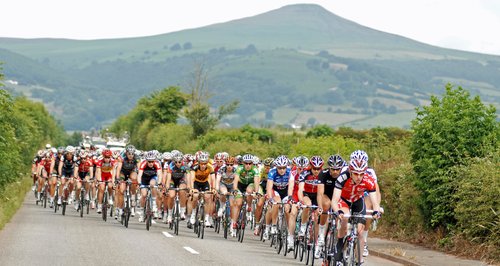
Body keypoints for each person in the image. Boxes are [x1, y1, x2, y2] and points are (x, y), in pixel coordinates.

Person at [331, 150, 381, 265]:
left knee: (360, 232)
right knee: (344, 219)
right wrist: (337, 211)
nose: (359, 177)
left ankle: (359, 261)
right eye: (356, 174)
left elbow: (375, 201)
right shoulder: (342, 177)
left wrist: (376, 211)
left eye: (361, 174)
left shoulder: (369, 180)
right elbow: (334, 200)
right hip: (344, 201)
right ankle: (339, 249)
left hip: (358, 201)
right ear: (350, 171)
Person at [316, 154, 345, 257]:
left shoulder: (345, 175)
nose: (335, 172)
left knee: (341, 215)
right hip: (326, 195)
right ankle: (321, 234)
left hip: (338, 198)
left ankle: (337, 241)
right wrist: (320, 207)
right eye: (333, 169)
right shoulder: (323, 174)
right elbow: (320, 193)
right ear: (329, 167)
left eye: (338, 169)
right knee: (326, 204)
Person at [263, 155, 291, 240]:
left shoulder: (290, 172)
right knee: (276, 203)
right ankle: (271, 226)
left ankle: (289, 230)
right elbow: (269, 187)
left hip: (285, 191)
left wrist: (290, 197)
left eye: (284, 168)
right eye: (280, 168)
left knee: (287, 208)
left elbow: (291, 187)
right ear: (276, 167)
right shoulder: (272, 172)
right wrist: (270, 198)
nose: (282, 170)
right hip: (275, 191)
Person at [232, 154, 261, 234]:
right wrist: (235, 190)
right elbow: (235, 181)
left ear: (252, 163)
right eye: (246, 163)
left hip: (250, 184)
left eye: (250, 163)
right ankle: (234, 223)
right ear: (243, 163)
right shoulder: (239, 168)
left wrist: (256, 192)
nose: (248, 165)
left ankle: (249, 206)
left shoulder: (255, 169)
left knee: (249, 191)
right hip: (240, 185)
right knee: (238, 203)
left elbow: (256, 182)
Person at [188, 153, 216, 228]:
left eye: (205, 164)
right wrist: (191, 189)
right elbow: (192, 178)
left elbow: (213, 179)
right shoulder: (194, 167)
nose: (203, 165)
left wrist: (214, 189)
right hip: (196, 182)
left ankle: (206, 218)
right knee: (195, 196)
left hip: (205, 183)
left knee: (208, 197)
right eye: (201, 164)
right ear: (199, 163)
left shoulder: (210, 167)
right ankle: (193, 215)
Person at [115, 145, 140, 220]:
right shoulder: (121, 157)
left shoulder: (137, 158)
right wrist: (117, 178)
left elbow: (139, 169)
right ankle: (119, 208)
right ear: (126, 153)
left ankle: (132, 195)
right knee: (121, 191)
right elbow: (118, 168)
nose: (131, 155)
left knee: (134, 178)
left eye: (132, 154)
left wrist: (139, 181)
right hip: (123, 172)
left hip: (132, 171)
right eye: (129, 154)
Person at [137, 151, 162, 222]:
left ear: (154, 161)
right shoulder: (143, 164)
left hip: (153, 178)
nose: (151, 163)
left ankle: (154, 203)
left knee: (152, 185)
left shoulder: (157, 163)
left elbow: (160, 174)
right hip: (144, 179)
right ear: (146, 161)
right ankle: (142, 213)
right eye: (149, 161)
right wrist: (139, 183)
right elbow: (139, 175)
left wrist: (159, 183)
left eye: (152, 161)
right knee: (144, 195)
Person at [164, 155, 189, 224]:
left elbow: (188, 177)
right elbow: (168, 178)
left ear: (182, 162)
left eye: (179, 162)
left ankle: (182, 211)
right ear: (174, 162)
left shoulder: (185, 166)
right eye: (176, 162)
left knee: (182, 191)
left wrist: (189, 187)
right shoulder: (171, 166)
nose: (178, 163)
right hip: (173, 180)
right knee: (171, 196)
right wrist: (167, 187)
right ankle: (169, 214)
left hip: (181, 180)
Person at [95, 149, 116, 214]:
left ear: (110, 157)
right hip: (102, 175)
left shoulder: (113, 162)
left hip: (109, 175)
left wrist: (113, 182)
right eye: (105, 157)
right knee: (101, 188)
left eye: (108, 157)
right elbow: (98, 172)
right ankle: (99, 205)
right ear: (103, 157)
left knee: (110, 186)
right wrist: (99, 181)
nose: (107, 159)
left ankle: (110, 197)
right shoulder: (99, 162)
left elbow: (113, 173)